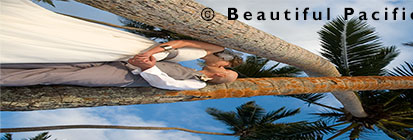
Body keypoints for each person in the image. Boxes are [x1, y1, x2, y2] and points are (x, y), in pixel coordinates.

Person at [0, 40, 243, 90]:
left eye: (225, 70)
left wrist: (148, 66)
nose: (222, 68)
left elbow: (166, 83)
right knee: (60, 60)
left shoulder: (196, 84)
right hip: (121, 58)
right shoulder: (192, 66)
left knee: (55, 75)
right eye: (226, 66)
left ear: (219, 76)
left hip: (124, 76)